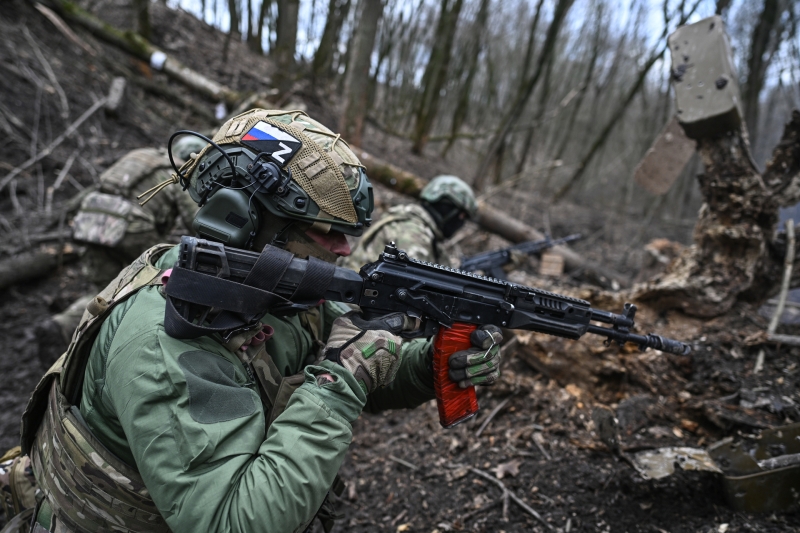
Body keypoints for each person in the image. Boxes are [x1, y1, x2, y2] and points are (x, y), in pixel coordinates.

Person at [11, 109, 503, 533]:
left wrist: (424, 365)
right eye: (326, 231)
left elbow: (356, 357)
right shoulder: (165, 334)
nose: (347, 248)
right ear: (241, 217)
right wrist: (340, 380)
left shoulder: (273, 288)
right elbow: (234, 519)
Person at [36, 137, 207, 365]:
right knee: (148, 285)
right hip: (131, 228)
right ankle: (132, 351)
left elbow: (95, 187)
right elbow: (196, 222)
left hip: (93, 221)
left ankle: (64, 326)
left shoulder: (140, 155)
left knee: (104, 289)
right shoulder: (178, 170)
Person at [342, 175, 477, 270]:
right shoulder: (413, 234)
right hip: (349, 307)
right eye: (461, 216)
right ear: (448, 210)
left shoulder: (410, 220)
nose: (460, 223)